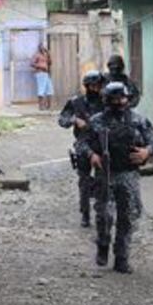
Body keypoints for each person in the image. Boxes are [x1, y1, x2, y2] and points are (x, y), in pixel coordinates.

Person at [82, 82, 153, 273]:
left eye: (122, 98)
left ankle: (122, 257)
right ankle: (103, 245)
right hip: (105, 174)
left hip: (128, 175)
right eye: (114, 99)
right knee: (104, 216)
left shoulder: (138, 121)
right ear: (107, 100)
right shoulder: (97, 121)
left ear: (127, 99)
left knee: (128, 217)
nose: (119, 102)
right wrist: (92, 155)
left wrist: (146, 152)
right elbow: (81, 143)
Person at [58, 70, 107, 227]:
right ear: (87, 86)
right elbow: (62, 119)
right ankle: (85, 214)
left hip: (101, 144)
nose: (96, 88)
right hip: (82, 144)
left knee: (102, 181)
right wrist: (74, 120)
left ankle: (101, 212)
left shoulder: (106, 101)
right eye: (92, 86)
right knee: (84, 181)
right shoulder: (76, 102)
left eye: (98, 85)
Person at [33, 44, 53, 111]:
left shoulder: (46, 55)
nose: (43, 48)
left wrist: (48, 54)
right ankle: (41, 107)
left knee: (49, 90)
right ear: (39, 48)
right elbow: (32, 63)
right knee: (41, 90)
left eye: (44, 47)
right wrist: (40, 66)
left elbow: (50, 63)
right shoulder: (37, 55)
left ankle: (48, 106)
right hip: (40, 73)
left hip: (46, 74)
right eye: (41, 47)